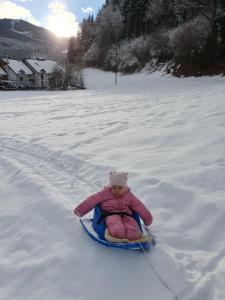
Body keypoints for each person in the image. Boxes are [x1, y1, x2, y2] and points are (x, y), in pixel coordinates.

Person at [74, 171, 153, 241]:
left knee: (133, 232)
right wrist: (80, 210)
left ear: (124, 187)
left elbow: (138, 205)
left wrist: (147, 219)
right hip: (110, 214)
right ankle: (119, 236)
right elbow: (92, 200)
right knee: (117, 230)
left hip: (127, 215)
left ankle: (132, 238)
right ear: (111, 186)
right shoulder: (105, 193)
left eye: (120, 188)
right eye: (114, 187)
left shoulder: (128, 195)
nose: (116, 190)